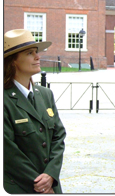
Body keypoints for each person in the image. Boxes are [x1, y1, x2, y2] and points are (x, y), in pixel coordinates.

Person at [3, 29, 66, 194]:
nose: (38, 57)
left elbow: (58, 137)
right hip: (21, 187)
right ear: (13, 61)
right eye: (30, 53)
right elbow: (8, 152)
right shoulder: (5, 100)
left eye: (36, 52)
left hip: (51, 185)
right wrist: (41, 184)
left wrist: (51, 174)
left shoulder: (45, 94)